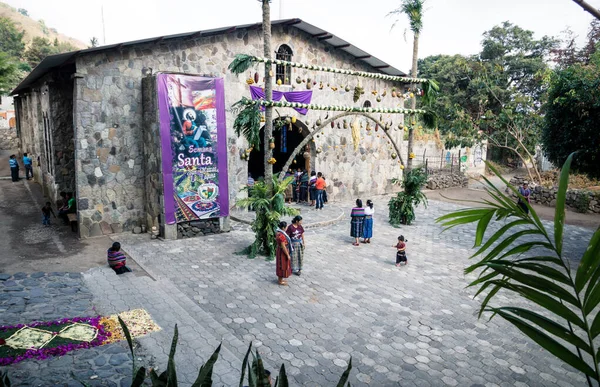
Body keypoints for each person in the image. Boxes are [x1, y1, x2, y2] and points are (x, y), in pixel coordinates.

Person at [276, 221, 292, 285]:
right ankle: (280, 281)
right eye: (286, 227)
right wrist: (287, 255)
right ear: (283, 228)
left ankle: (280, 279)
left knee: (281, 265)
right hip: (282, 252)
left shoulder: (278, 232)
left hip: (280, 250)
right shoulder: (281, 235)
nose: (286, 228)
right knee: (282, 265)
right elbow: (283, 246)